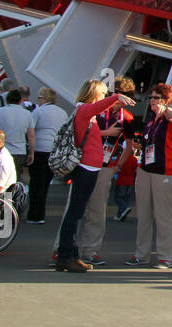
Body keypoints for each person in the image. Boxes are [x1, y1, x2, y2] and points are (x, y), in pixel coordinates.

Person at [54, 79, 134, 273]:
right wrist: (116, 96)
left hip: (90, 167)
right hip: (86, 168)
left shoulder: (85, 112)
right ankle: (66, 255)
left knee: (76, 212)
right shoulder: (84, 110)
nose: (104, 98)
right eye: (102, 94)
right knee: (75, 212)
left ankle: (70, 254)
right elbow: (99, 106)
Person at [124, 83, 172, 268]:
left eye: (156, 98)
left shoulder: (170, 114)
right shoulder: (151, 118)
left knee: (163, 215)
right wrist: (141, 145)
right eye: (151, 98)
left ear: (165, 100)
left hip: (164, 171)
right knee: (144, 213)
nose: (152, 101)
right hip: (146, 169)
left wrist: (165, 110)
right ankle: (141, 254)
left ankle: (166, 257)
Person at [28, 88, 67, 224]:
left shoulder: (38, 111)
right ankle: (41, 214)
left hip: (39, 149)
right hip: (53, 150)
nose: (38, 100)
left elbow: (30, 129)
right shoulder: (62, 113)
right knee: (45, 184)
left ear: (44, 98)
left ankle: (34, 214)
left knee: (35, 183)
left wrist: (30, 150)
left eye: (39, 97)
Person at [0, 90, 34, 187]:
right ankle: (11, 200)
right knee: (13, 180)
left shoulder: (0, 112)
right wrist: (31, 153)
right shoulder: (27, 114)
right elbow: (31, 136)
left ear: (7, 100)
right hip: (20, 152)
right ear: (20, 101)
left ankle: (0, 200)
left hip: (2, 150)